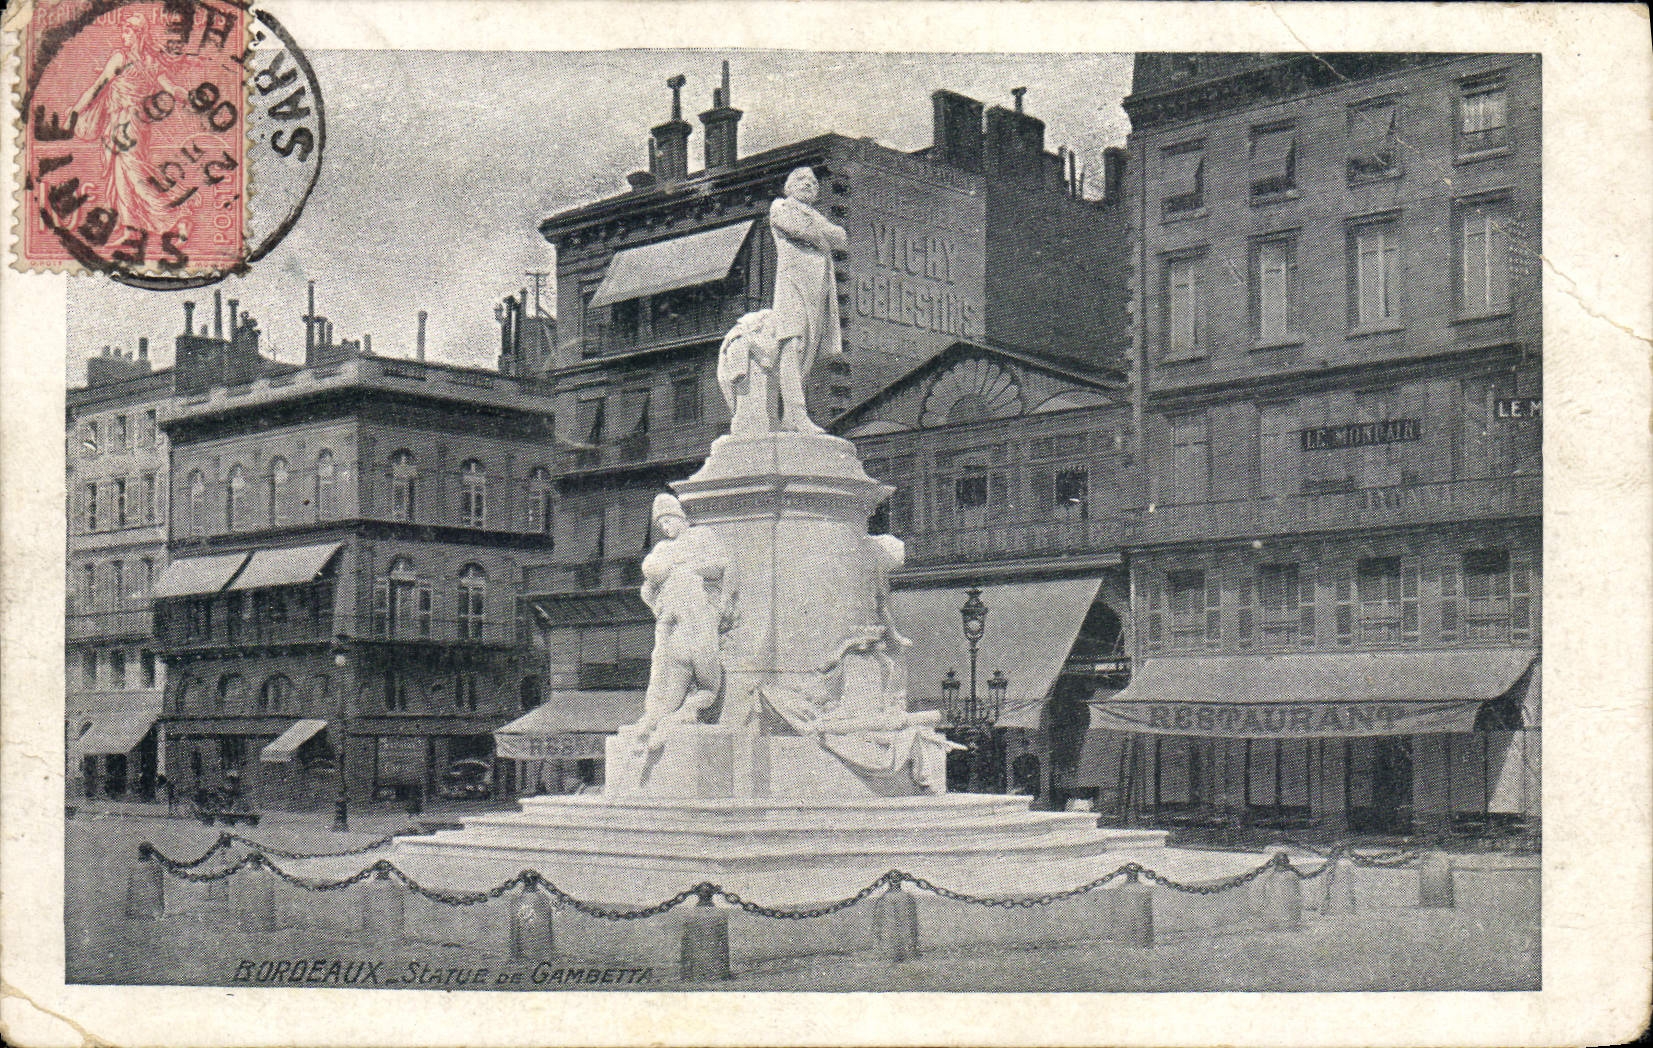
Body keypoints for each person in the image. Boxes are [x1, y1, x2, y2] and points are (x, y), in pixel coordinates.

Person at [67, 10, 192, 243]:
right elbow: (173, 89)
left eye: (126, 31)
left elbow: (97, 88)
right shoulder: (149, 62)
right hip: (122, 125)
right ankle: (130, 229)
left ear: (138, 34)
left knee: (136, 176)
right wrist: (188, 97)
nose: (123, 35)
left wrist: (75, 112)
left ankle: (178, 217)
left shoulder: (122, 58)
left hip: (129, 126)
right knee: (121, 175)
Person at [633, 494, 733, 746]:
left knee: (690, 681)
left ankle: (663, 721)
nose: (665, 528)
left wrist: (688, 567)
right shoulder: (663, 549)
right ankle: (658, 719)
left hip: (693, 622)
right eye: (661, 525)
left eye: (668, 521)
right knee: (670, 675)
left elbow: (720, 565)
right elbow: (647, 589)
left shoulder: (701, 537)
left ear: (680, 516)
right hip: (679, 625)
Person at [767, 166, 848, 434]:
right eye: (802, 180)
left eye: (814, 182)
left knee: (809, 352)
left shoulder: (814, 214)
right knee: (794, 345)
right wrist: (820, 234)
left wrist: (819, 234)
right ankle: (795, 414)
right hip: (793, 288)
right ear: (788, 187)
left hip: (817, 292)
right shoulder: (781, 206)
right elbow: (804, 231)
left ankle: (791, 416)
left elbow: (841, 238)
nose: (809, 184)